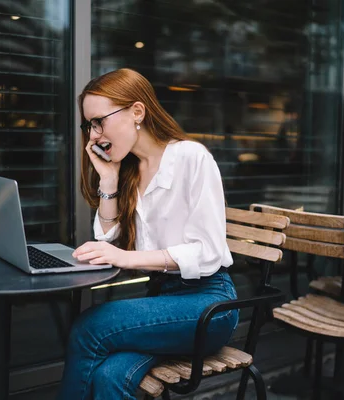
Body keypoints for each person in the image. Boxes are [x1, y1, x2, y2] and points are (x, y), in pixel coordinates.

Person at [57, 68, 238, 400]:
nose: (94, 135)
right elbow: (108, 241)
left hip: (210, 305)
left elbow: (208, 252)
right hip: (164, 303)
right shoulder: (128, 171)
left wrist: (126, 257)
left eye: (99, 122)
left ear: (137, 112)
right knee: (110, 376)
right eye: (89, 126)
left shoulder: (190, 158)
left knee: (90, 326)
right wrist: (108, 181)